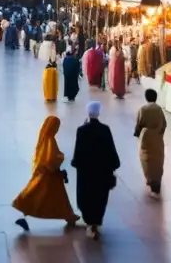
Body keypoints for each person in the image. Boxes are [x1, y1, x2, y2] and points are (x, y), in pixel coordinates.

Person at [13, 116, 80, 231]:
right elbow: (50, 159)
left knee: (45, 196)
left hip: (44, 173)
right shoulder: (50, 141)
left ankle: (68, 216)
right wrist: (59, 164)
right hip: (49, 175)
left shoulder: (44, 139)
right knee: (46, 196)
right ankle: (68, 216)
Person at [70, 101, 120, 240]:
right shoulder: (105, 129)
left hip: (86, 172)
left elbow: (78, 150)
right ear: (99, 113)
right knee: (99, 197)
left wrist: (76, 163)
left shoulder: (81, 130)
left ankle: (89, 221)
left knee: (86, 196)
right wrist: (115, 164)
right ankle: (96, 222)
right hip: (102, 172)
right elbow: (111, 149)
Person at [134, 88, 167, 195]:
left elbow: (139, 124)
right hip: (157, 138)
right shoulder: (159, 109)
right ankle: (157, 180)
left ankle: (150, 179)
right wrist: (159, 133)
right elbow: (164, 124)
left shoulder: (143, 109)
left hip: (146, 139)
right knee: (158, 159)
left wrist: (138, 134)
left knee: (146, 159)